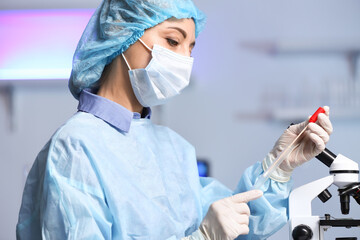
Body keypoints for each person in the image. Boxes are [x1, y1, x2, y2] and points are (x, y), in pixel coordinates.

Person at [16, 0, 333, 239]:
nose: (184, 59)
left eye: (191, 47)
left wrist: (279, 165)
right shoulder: (75, 147)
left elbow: (236, 225)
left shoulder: (173, 149)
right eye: (172, 41)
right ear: (122, 34)